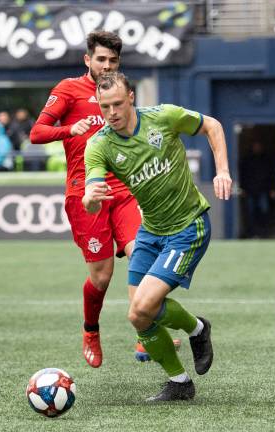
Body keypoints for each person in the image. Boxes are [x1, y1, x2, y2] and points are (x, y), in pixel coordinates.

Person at [83, 72, 232, 401]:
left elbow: (213, 126)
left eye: (118, 104)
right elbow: (91, 192)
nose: (112, 112)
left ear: (132, 98)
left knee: (146, 304)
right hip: (150, 232)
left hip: (187, 226)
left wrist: (222, 170)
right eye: (105, 106)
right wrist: (90, 199)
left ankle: (196, 330)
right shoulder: (99, 144)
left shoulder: (163, 117)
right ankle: (181, 379)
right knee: (138, 315)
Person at [30, 31, 141, 369]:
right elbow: (37, 133)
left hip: (122, 189)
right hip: (85, 192)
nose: (106, 66)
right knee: (102, 277)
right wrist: (70, 129)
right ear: (87, 60)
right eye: (101, 59)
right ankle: (91, 330)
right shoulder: (68, 90)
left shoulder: (119, 93)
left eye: (112, 61)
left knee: (142, 253)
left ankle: (146, 331)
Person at [239, 140, 272, 238]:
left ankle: (263, 232)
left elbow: (270, 174)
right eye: (255, 146)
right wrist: (243, 188)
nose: (257, 148)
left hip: (263, 190)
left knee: (264, 211)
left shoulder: (266, 160)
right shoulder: (247, 160)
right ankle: (252, 233)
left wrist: (271, 188)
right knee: (251, 212)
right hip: (250, 190)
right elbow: (243, 175)